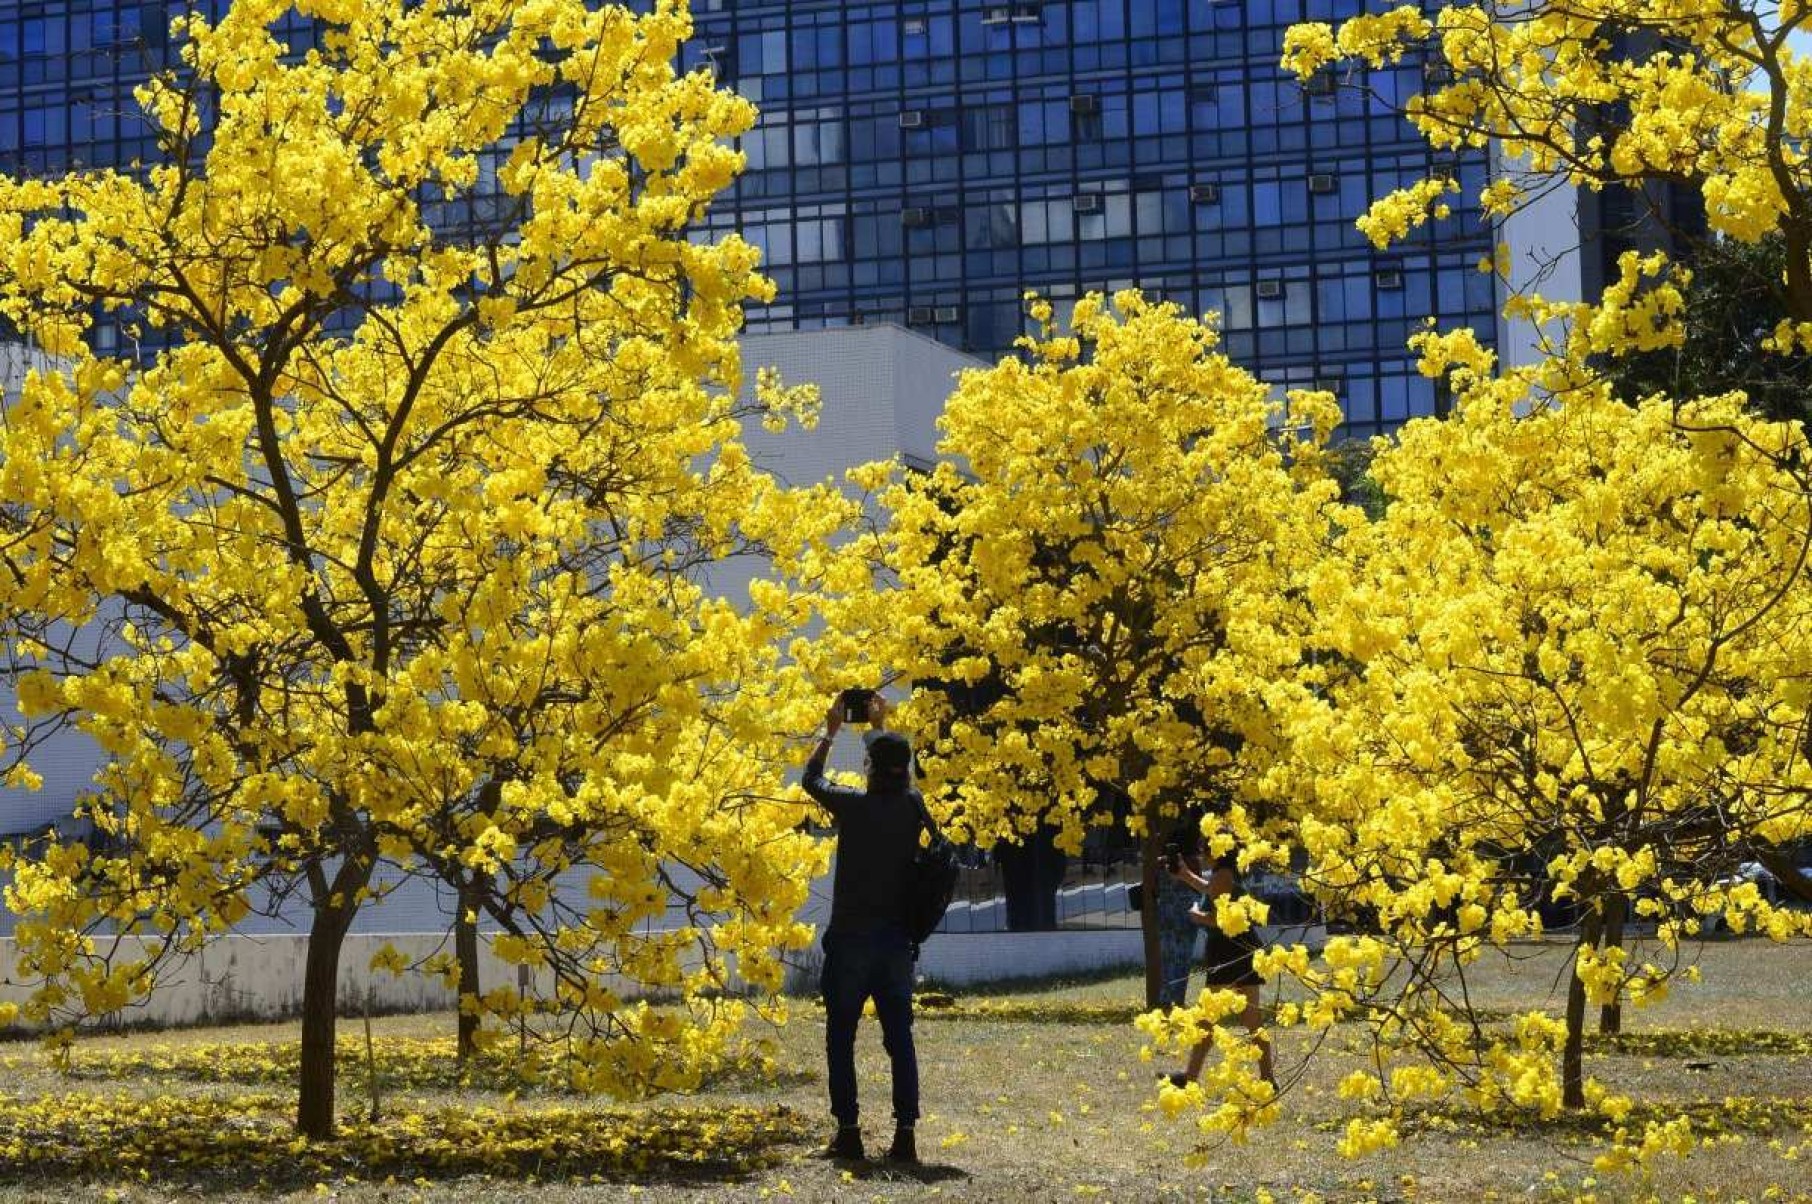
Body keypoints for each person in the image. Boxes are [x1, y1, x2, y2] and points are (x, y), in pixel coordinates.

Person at [802, 691, 926, 1164]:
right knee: (901, 1040)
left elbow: (812, 779)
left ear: (870, 770)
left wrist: (832, 731)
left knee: (841, 1037)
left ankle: (849, 1131)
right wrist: (878, 729)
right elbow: (898, 774)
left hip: (852, 943)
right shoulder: (912, 807)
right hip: (896, 944)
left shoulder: (853, 806)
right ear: (905, 769)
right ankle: (906, 1135)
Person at [1166, 848, 1276, 1090]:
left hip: (1228, 950)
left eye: (1206, 845)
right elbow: (1210, 889)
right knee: (1250, 1018)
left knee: (1210, 1018)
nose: (1202, 851)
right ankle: (1267, 1078)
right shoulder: (1224, 872)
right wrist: (1185, 875)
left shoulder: (1223, 874)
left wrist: (1197, 916)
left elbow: (1221, 918)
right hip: (1237, 948)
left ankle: (1190, 1077)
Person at [1153, 810, 1206, 1010]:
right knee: (1182, 957)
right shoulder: (1192, 861)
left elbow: (1156, 887)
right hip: (1185, 913)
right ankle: (1177, 999)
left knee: (1167, 956)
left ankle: (1166, 997)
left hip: (1166, 911)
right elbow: (1198, 885)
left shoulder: (1161, 862)